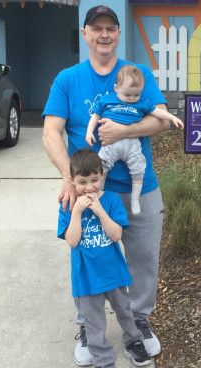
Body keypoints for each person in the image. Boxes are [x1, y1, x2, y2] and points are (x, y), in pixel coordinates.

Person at [42, 5, 168, 365]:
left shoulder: (137, 73)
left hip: (136, 188)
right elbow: (51, 132)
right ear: (85, 33)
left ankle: (138, 322)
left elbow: (159, 121)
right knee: (89, 258)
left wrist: (125, 131)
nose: (104, 34)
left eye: (111, 28)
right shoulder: (68, 79)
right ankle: (88, 324)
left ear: (118, 33)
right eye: (96, 28)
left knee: (144, 259)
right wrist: (69, 179)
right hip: (87, 191)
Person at [58, 148, 152, 368]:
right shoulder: (69, 205)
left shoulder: (110, 200)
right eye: (82, 182)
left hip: (114, 273)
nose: (89, 187)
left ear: (103, 176)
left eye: (94, 180)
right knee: (94, 323)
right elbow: (72, 241)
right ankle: (103, 360)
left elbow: (116, 235)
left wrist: (100, 211)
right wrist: (78, 213)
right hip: (87, 277)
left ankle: (133, 341)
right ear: (72, 181)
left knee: (126, 313)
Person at [86, 64, 184, 215]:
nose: (132, 99)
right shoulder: (107, 100)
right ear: (116, 88)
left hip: (132, 144)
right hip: (110, 144)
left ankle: (135, 199)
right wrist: (89, 132)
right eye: (128, 95)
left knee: (138, 169)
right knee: (101, 166)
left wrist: (172, 118)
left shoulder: (142, 103)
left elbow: (158, 113)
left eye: (136, 95)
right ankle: (101, 194)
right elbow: (95, 115)